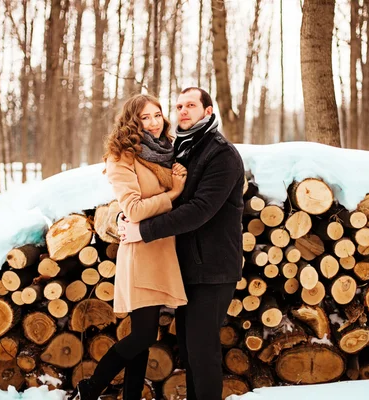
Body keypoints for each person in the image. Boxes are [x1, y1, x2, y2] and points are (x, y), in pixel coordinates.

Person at [119, 87, 245, 400]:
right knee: (190, 353)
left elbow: (199, 210)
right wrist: (123, 219)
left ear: (208, 112)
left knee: (203, 353)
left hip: (214, 270)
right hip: (188, 267)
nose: (183, 111)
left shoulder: (221, 154)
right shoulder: (183, 149)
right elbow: (149, 194)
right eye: (178, 106)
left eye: (191, 105)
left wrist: (143, 231)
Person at [71, 94, 188, 400]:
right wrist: (173, 193)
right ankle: (91, 387)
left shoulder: (169, 150)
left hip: (163, 249)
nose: (153, 122)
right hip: (141, 253)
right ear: (132, 122)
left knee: (142, 336)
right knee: (144, 334)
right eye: (145, 117)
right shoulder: (121, 157)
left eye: (157, 115)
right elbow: (134, 209)